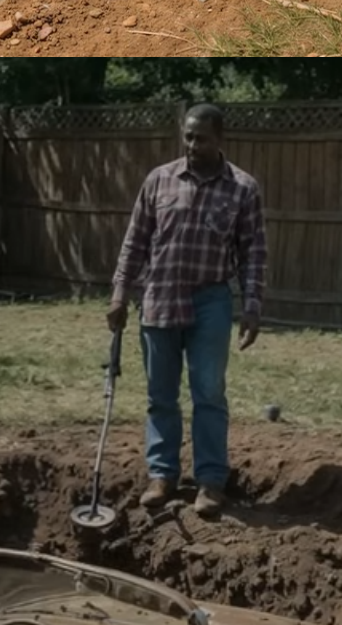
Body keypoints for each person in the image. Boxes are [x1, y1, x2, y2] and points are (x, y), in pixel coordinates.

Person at [106, 103, 266, 519]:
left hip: (211, 299)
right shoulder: (159, 180)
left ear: (220, 140)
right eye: (189, 137)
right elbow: (135, 241)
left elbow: (254, 253)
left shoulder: (243, 189)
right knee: (161, 394)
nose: (194, 145)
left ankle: (211, 481)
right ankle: (162, 475)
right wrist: (120, 293)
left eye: (203, 138)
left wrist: (252, 305)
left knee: (208, 392)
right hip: (159, 296)